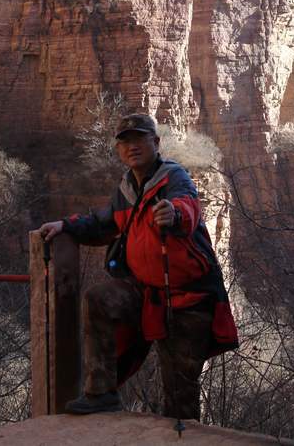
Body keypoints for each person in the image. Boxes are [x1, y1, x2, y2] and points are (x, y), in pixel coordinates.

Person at [38, 113, 238, 418]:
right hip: (146, 292)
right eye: (125, 142)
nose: (132, 147)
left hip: (187, 298)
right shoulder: (127, 189)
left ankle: (181, 435)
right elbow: (103, 223)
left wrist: (174, 213)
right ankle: (101, 393)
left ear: (155, 143)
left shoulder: (174, 177)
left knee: (180, 390)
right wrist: (65, 225)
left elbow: (188, 206)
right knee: (98, 299)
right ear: (119, 151)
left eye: (140, 139)